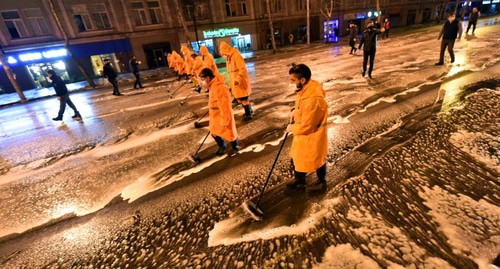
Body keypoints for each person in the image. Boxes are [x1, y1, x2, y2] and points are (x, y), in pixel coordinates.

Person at [286, 64, 328, 192]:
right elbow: (302, 108)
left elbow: (308, 126)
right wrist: (296, 111)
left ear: (302, 80)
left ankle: (321, 181)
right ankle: (300, 180)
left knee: (317, 158)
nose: (290, 83)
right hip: (302, 133)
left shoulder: (312, 99)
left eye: (293, 80)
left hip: (311, 134)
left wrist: (292, 128)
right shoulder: (305, 89)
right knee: (298, 157)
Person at [198, 68, 240, 155]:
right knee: (214, 131)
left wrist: (225, 119)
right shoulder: (212, 86)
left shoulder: (220, 88)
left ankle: (235, 146)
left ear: (208, 78)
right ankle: (222, 146)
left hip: (222, 114)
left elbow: (225, 106)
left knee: (229, 132)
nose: (201, 82)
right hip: (215, 114)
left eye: (202, 80)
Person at [219, 41, 253, 121]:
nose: (223, 55)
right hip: (235, 82)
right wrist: (230, 85)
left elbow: (242, 69)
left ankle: (248, 114)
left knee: (244, 99)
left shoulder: (236, 55)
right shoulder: (229, 57)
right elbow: (230, 73)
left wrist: (238, 79)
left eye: (223, 53)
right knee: (240, 99)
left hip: (240, 81)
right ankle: (249, 110)